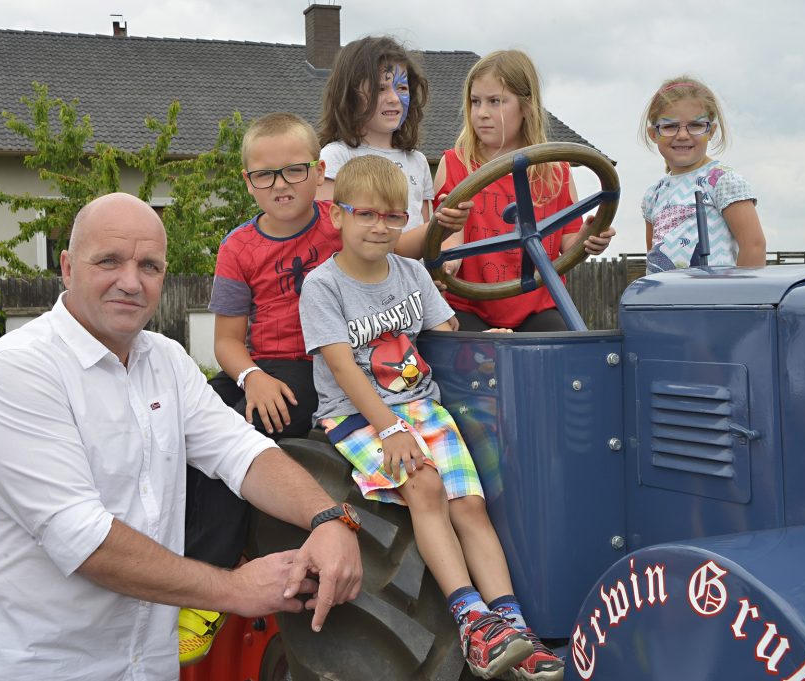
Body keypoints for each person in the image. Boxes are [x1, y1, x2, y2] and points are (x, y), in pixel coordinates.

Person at [0, 192, 363, 681]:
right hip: (34, 661)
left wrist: (328, 517)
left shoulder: (166, 360)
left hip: (144, 664)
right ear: (68, 267)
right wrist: (236, 589)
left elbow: (240, 451)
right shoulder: (20, 371)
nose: (131, 282)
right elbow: (82, 539)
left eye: (150, 266)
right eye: (109, 261)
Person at [184, 113, 469, 660]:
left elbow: (399, 239)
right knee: (218, 432)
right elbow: (225, 341)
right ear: (248, 181)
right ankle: (210, 578)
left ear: (320, 175)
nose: (281, 185)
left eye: (294, 170)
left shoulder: (340, 221)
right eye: (265, 175)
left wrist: (442, 224)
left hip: (350, 361)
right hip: (275, 367)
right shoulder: (238, 248)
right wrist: (252, 377)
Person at [299, 155, 563, 681]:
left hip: (422, 404)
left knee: (469, 503)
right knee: (423, 488)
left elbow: (444, 330)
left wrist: (480, 343)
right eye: (366, 214)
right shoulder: (323, 286)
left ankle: (512, 626)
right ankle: (470, 621)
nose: (380, 226)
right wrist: (391, 428)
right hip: (357, 414)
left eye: (394, 216)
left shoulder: (411, 270)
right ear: (337, 216)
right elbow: (342, 369)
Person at [434, 49, 616, 332]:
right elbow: (450, 237)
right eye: (475, 101)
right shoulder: (455, 164)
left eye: (495, 102)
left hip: (536, 306)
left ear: (526, 106)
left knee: (566, 350)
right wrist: (448, 263)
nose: (481, 113)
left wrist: (589, 236)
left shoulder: (555, 171)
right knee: (458, 349)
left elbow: (569, 243)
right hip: (470, 305)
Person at [316, 35, 442, 249]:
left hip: (415, 281)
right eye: (381, 89)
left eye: (402, 88)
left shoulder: (418, 161)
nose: (393, 98)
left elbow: (425, 235)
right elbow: (328, 236)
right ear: (349, 95)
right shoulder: (336, 157)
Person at [640, 75, 766, 273]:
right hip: (665, 300)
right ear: (654, 134)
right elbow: (653, 257)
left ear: (711, 131)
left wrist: (743, 299)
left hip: (714, 300)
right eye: (670, 126)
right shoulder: (652, 195)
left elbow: (754, 246)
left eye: (696, 125)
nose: (682, 135)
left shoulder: (722, 181)